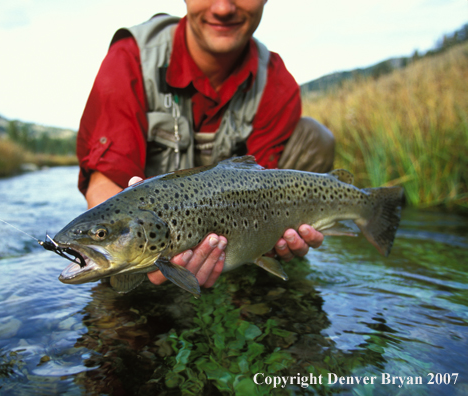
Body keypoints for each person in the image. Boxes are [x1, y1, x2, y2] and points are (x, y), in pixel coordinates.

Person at [76, 0, 335, 288]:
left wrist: (273, 238)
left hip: (229, 220)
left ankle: (263, 274)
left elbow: (263, 191)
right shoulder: (133, 56)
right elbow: (103, 181)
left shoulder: (275, 82)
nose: (223, 8)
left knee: (314, 137)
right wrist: (111, 247)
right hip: (156, 229)